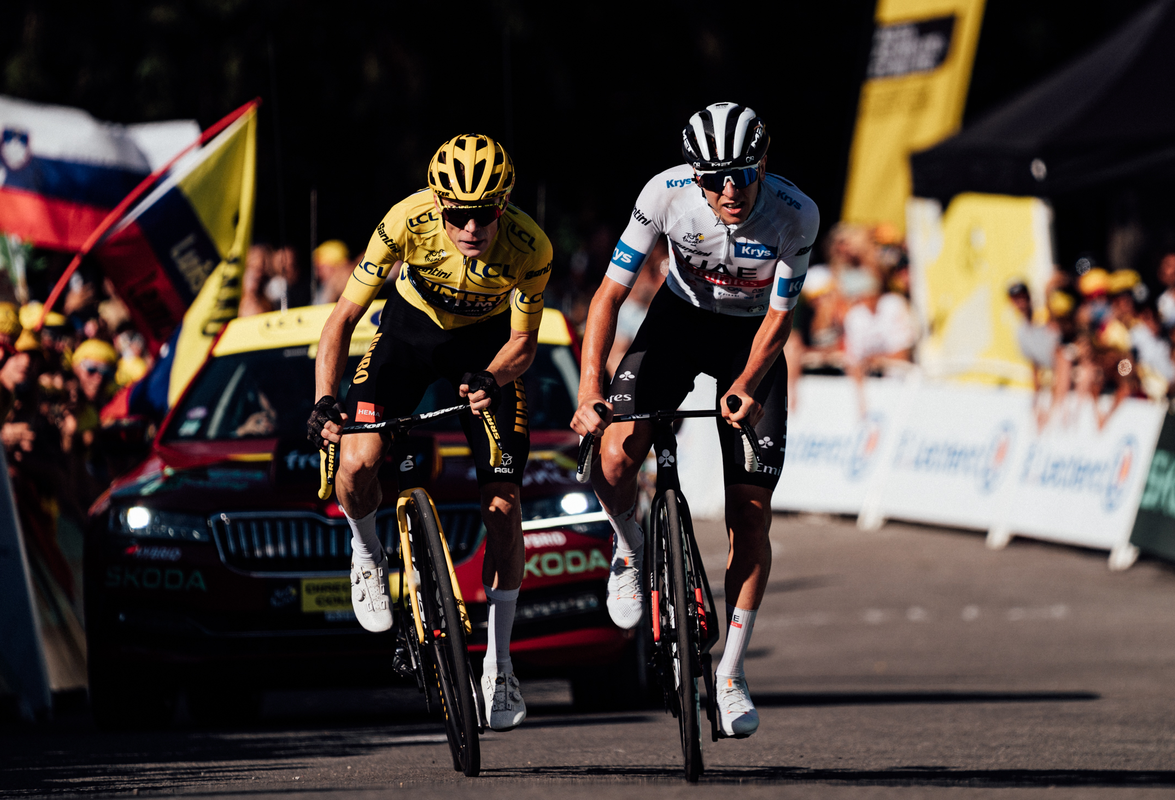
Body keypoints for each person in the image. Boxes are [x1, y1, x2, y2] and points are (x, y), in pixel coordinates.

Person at [569, 103, 819, 739]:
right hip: (677, 326)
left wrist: (743, 386)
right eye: (712, 178)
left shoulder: (795, 213)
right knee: (618, 453)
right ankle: (628, 552)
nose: (728, 190)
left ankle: (730, 674)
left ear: (762, 163)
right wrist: (590, 387)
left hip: (749, 340)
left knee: (751, 517)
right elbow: (609, 296)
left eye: (740, 174)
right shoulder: (664, 194)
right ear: (694, 173)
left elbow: (779, 320)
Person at [307, 134, 552, 733]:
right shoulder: (405, 221)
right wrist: (322, 399)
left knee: (503, 505)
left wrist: (492, 377)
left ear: (504, 207)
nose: (469, 227)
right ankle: (367, 552)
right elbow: (343, 316)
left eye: (483, 215)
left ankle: (499, 664)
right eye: (456, 214)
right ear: (438, 206)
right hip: (410, 335)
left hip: (489, 349)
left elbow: (523, 343)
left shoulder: (530, 245)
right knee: (358, 459)